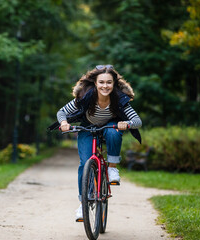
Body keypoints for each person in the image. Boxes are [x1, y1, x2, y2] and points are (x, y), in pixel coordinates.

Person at [48, 65, 142, 221]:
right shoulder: (86, 96)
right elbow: (61, 112)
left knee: (113, 132)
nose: (105, 86)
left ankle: (112, 168)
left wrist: (127, 123)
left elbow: (137, 121)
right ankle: (83, 204)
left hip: (110, 125)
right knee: (84, 164)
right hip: (87, 126)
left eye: (109, 82)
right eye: (101, 82)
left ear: (114, 84)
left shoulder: (119, 99)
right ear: (95, 83)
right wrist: (63, 122)